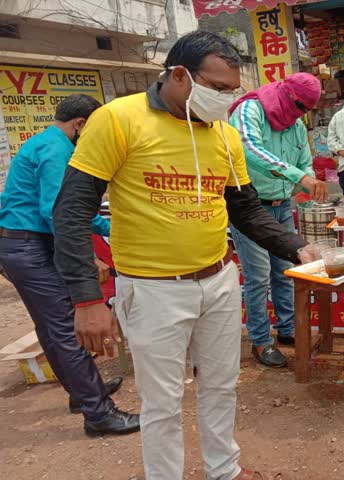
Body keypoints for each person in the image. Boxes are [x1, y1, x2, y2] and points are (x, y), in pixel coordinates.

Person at [52, 31, 310, 480]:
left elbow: (244, 208)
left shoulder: (226, 137)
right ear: (177, 75)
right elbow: (72, 211)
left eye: (231, 92)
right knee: (163, 403)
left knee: (221, 388)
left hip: (219, 281)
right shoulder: (118, 120)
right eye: (217, 89)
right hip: (153, 291)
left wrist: (296, 247)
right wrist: (87, 299)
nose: (224, 101)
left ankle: (224, 470)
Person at [0, 94, 138, 436]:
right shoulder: (57, 150)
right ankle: (99, 414)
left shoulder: (46, 142)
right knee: (65, 326)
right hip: (29, 245)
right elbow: (56, 212)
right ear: (81, 125)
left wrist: (115, 226)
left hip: (22, 244)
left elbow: (72, 212)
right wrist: (86, 258)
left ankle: (83, 395)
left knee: (50, 327)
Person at [227, 73, 326, 368]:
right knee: (257, 277)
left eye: (306, 110)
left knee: (285, 271)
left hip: (282, 205)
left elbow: (304, 160)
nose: (300, 114)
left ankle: (286, 329)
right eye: (298, 106)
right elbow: (249, 149)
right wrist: (297, 175)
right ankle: (260, 340)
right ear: (285, 93)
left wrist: (305, 179)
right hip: (250, 207)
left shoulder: (294, 124)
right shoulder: (250, 110)